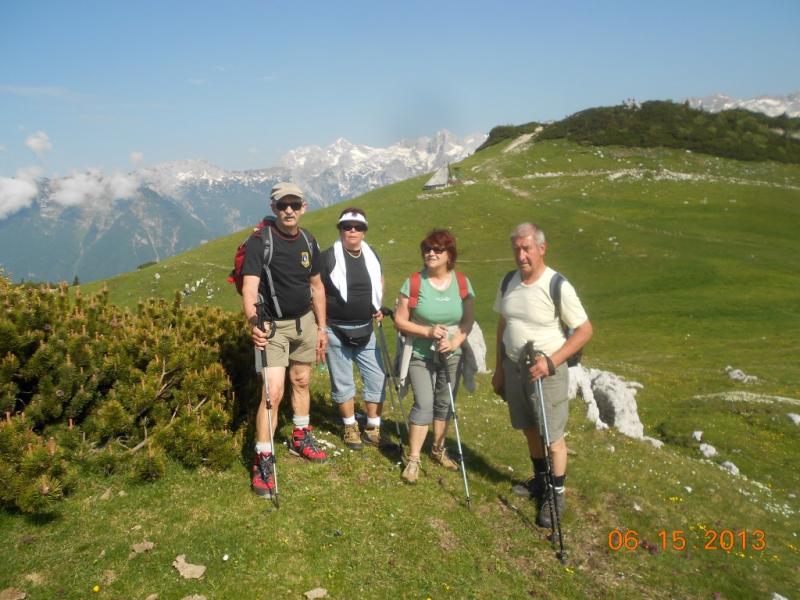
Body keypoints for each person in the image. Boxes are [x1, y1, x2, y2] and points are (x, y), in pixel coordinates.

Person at [491, 222, 593, 527]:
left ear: (541, 248)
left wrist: (552, 362)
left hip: (546, 372)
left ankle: (556, 494)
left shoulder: (557, 285)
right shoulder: (508, 281)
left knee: (553, 437)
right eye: (517, 249)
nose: (521, 256)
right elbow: (503, 324)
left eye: (527, 249)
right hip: (514, 366)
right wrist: (499, 368)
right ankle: (540, 480)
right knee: (529, 427)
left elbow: (585, 330)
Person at [241, 182, 328, 497]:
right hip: (272, 329)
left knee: (302, 380)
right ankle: (263, 459)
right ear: (273, 208)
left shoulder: (308, 240)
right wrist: (254, 322)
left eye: (294, 204)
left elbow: (316, 286)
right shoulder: (259, 242)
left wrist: (322, 328)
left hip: (305, 323)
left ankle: (300, 436)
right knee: (272, 393)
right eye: (282, 205)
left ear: (304, 207)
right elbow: (249, 288)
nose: (289, 210)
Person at [393, 229, 474, 483]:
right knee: (425, 402)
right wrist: (427, 332)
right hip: (419, 352)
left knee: (444, 402)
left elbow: (468, 320)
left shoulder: (462, 283)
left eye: (438, 249)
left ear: (449, 254)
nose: (431, 253)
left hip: (452, 353)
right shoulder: (414, 283)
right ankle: (414, 459)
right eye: (427, 249)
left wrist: (455, 342)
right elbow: (399, 321)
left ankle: (438, 450)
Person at [320, 207, 386, 450]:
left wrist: (377, 305)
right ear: (340, 230)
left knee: (377, 377)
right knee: (343, 381)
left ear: (364, 232)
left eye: (358, 227)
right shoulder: (328, 257)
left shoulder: (372, 255)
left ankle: (373, 428)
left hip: (366, 328)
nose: (352, 231)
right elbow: (316, 289)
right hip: (336, 329)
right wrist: (320, 325)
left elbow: (379, 280)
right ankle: (350, 426)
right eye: (347, 226)